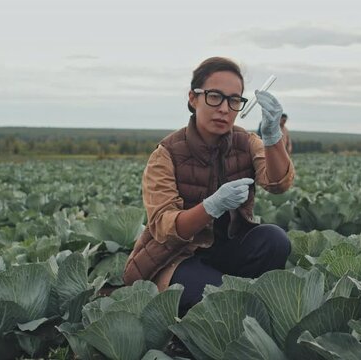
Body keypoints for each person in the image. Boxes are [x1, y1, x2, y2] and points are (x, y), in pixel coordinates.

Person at [123, 57, 294, 316]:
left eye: (234, 100)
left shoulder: (247, 142)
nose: (225, 108)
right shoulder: (167, 153)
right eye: (215, 96)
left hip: (226, 248)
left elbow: (278, 183)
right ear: (193, 98)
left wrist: (272, 137)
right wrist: (210, 206)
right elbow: (163, 226)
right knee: (216, 300)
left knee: (275, 240)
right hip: (177, 256)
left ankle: (240, 294)